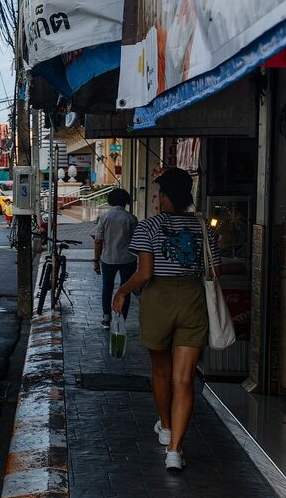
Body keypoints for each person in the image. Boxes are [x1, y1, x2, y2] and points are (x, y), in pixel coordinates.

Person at [112, 167, 219, 471]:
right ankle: (174, 451)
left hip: (158, 300)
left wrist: (121, 292)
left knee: (161, 372)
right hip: (192, 300)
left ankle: (167, 426)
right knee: (184, 379)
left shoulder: (149, 226)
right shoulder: (204, 228)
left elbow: (145, 273)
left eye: (160, 194)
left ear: (166, 197)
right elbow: (215, 272)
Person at [94, 187, 138, 329]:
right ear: (126, 201)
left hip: (108, 258)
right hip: (128, 259)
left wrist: (96, 260)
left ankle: (106, 318)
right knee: (125, 289)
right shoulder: (131, 218)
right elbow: (136, 241)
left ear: (110, 201)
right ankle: (121, 319)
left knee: (107, 287)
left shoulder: (104, 217)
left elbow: (98, 240)